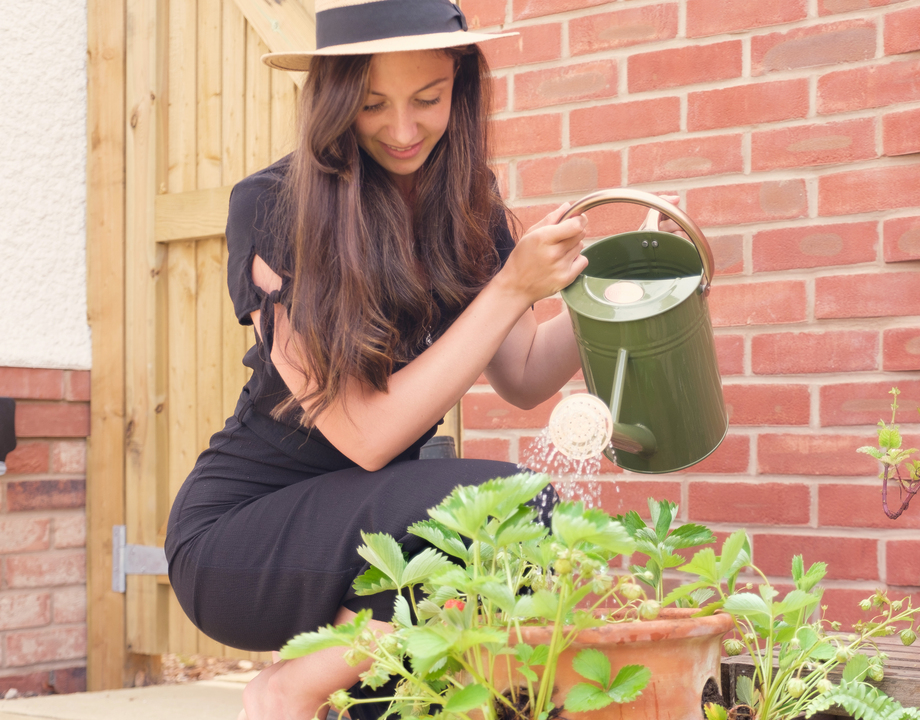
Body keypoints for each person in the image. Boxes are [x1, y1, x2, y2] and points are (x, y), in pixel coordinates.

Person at [163, 1, 681, 718]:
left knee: (430, 671)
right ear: (336, 100)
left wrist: (614, 292)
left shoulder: (467, 202)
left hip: (382, 536)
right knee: (511, 504)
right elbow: (367, 436)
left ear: (460, 87)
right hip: (243, 540)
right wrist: (509, 287)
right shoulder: (277, 206)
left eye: (428, 99)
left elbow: (525, 374)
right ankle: (291, 686)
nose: (403, 130)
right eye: (373, 104)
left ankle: (326, 684)